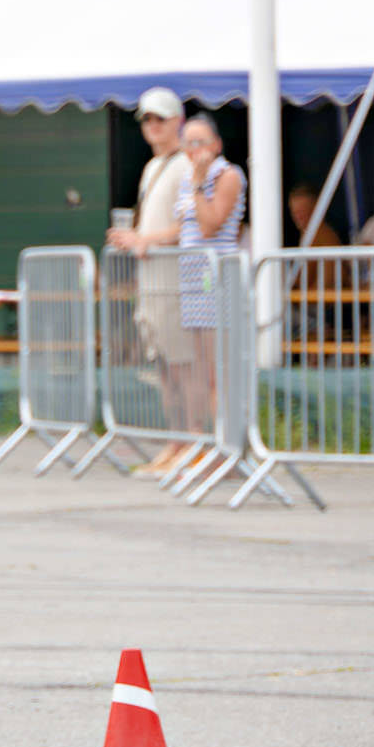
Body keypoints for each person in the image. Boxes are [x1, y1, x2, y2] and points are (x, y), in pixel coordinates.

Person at [146, 114, 246, 480]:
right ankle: (206, 445)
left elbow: (209, 225)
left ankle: (227, 451)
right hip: (193, 284)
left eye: (202, 142)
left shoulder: (227, 176)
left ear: (216, 145)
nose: (195, 150)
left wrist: (202, 183)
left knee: (218, 374)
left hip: (216, 281)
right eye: (189, 143)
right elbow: (182, 228)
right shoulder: (189, 180)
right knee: (201, 374)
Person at [105, 88, 192, 474]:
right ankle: (176, 442)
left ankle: (192, 441)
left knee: (183, 365)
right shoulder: (152, 168)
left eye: (160, 118)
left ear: (177, 122)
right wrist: (132, 239)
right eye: (147, 119)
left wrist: (144, 240)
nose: (153, 126)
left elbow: (189, 226)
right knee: (164, 367)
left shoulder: (185, 166)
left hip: (175, 282)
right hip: (152, 282)